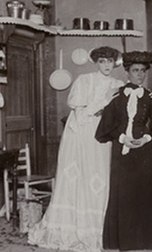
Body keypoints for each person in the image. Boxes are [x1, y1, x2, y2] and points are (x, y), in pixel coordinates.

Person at [28, 46, 125, 252]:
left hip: (105, 135)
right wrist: (103, 100)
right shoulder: (84, 80)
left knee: (101, 176)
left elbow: (121, 112)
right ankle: (75, 226)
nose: (106, 65)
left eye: (110, 61)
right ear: (96, 62)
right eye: (102, 61)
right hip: (81, 135)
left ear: (115, 63)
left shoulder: (119, 84)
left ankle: (100, 228)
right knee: (79, 176)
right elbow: (79, 109)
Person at [95, 51, 152, 250]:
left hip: (145, 152)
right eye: (135, 70)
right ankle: (126, 242)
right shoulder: (117, 97)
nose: (139, 75)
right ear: (127, 72)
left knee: (145, 193)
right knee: (125, 195)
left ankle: (148, 239)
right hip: (122, 152)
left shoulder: (150, 98)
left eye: (143, 71)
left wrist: (146, 138)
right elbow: (105, 128)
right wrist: (123, 139)